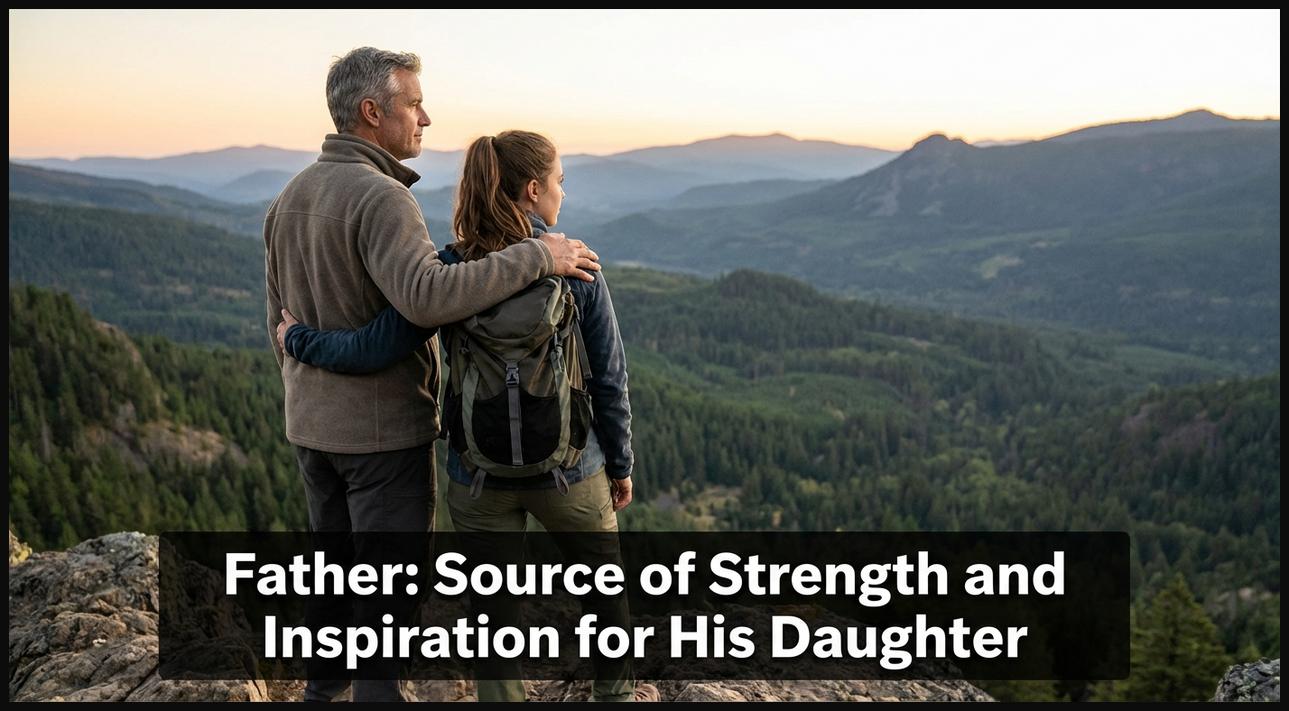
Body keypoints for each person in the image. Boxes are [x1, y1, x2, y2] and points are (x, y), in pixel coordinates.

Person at [263, 47, 601, 703]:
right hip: (381, 435)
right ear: (372, 112)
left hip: (310, 429)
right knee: (387, 596)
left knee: (333, 577)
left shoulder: (289, 197)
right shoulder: (382, 197)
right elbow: (427, 298)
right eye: (413, 104)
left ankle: (322, 694)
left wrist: (306, 390)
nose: (425, 117)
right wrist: (537, 256)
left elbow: (274, 322)